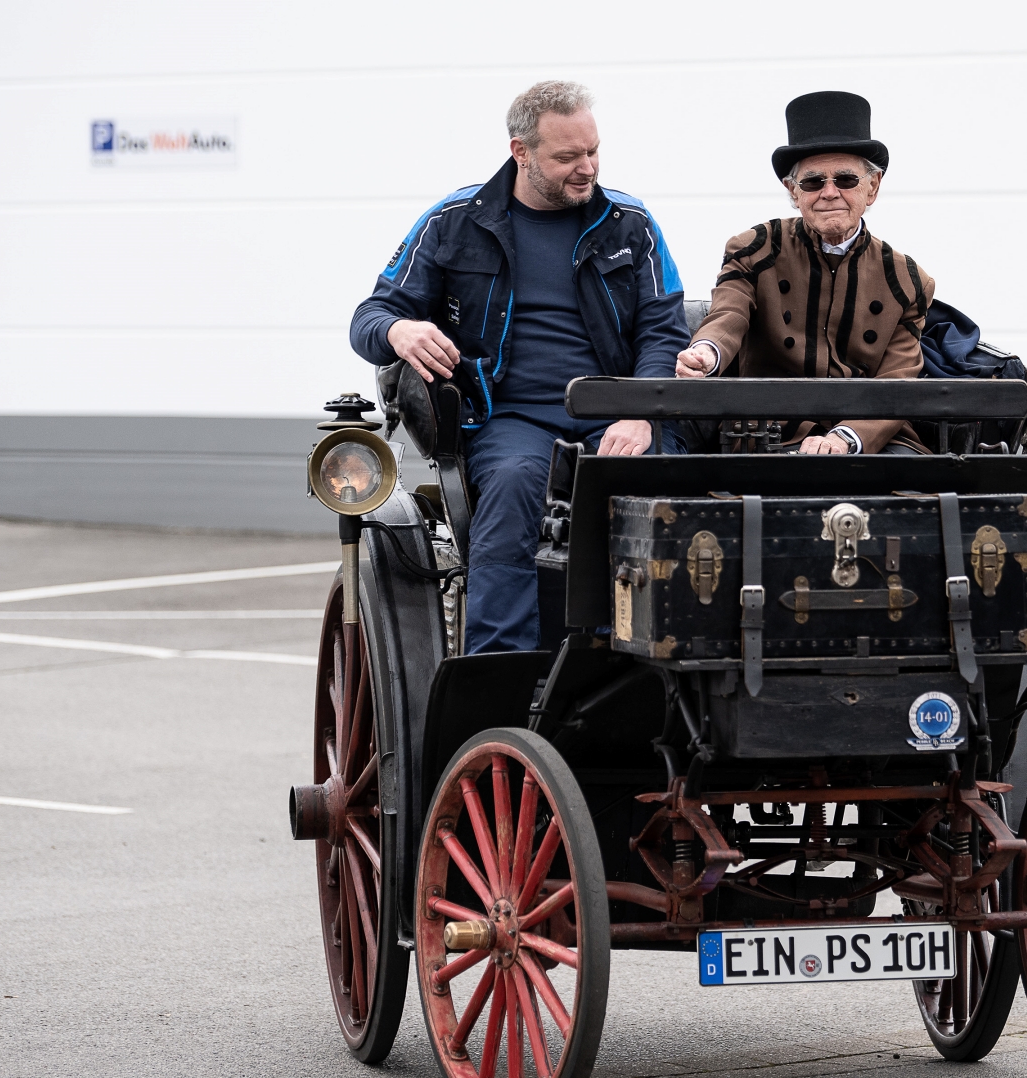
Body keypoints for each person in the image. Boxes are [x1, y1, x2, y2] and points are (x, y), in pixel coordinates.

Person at [351, 81, 689, 652]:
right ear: (521, 152)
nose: (587, 168)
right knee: (513, 484)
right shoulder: (452, 221)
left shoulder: (631, 223)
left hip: (620, 413)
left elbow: (664, 331)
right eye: (567, 157)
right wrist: (399, 329)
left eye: (593, 151)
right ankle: (499, 675)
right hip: (510, 420)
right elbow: (371, 316)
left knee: (664, 492)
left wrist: (639, 414)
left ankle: (658, 664)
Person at [674, 91, 935, 455]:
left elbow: (897, 380)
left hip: (871, 435)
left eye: (845, 179)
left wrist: (844, 440)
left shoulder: (908, 280)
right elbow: (728, 313)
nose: (829, 193)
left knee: (919, 492)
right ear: (792, 192)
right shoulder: (754, 249)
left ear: (872, 188)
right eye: (813, 182)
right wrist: (706, 352)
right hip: (769, 429)